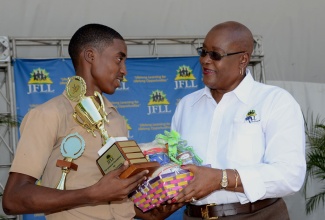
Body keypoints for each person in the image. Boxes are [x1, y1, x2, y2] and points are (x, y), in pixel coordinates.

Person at [2, 23, 180, 220]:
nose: (124, 70)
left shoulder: (116, 118)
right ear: (90, 56)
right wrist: (93, 194)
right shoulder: (49, 114)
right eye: (119, 59)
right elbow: (13, 199)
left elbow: (113, 195)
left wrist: (148, 212)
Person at [170, 21, 306, 219]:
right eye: (203, 51)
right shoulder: (186, 105)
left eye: (215, 54)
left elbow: (289, 175)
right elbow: (177, 165)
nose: (205, 60)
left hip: (258, 214)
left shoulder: (275, 101)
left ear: (243, 59)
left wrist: (221, 178)